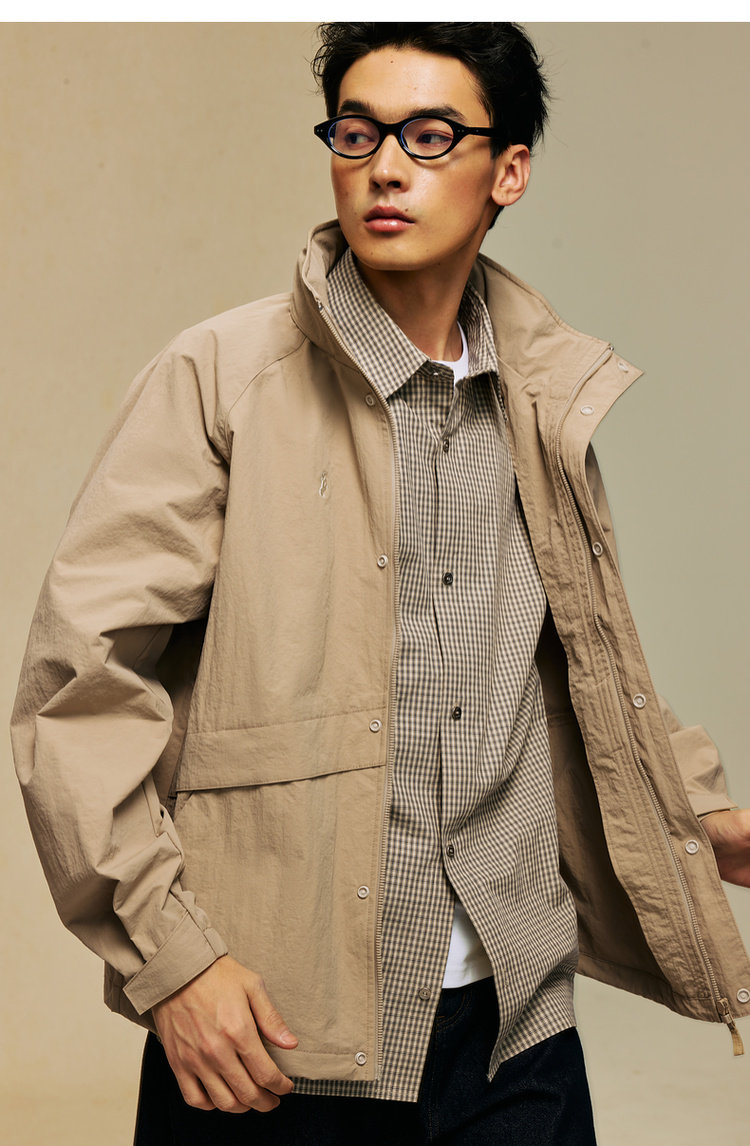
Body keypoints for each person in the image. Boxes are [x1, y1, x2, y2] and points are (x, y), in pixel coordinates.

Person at [11, 21, 750, 1146]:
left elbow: (572, 661)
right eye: (357, 134)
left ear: (508, 171)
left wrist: (686, 806)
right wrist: (173, 961)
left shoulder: (545, 397)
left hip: (517, 1028)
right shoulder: (221, 379)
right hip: (275, 1034)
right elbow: (78, 688)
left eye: (430, 135)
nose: (386, 167)